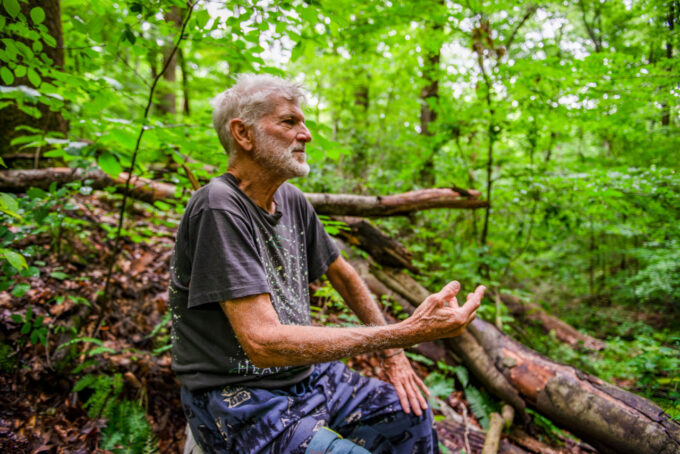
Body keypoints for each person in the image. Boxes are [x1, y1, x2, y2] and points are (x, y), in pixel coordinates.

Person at [169, 73, 485, 454]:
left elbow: (345, 275)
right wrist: (406, 332)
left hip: (305, 378)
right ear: (243, 134)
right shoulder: (218, 204)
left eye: (302, 122)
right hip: (238, 396)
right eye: (289, 122)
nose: (306, 134)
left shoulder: (291, 200)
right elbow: (263, 343)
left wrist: (393, 353)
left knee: (409, 413)